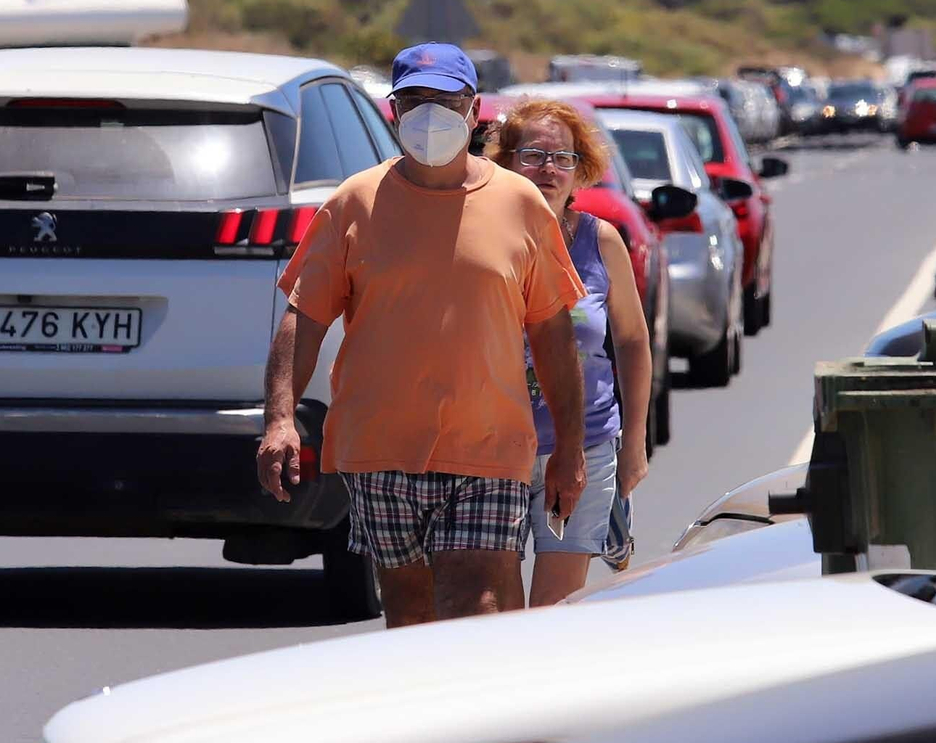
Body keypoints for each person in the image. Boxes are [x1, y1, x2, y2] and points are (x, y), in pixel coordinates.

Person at [257, 44, 589, 627]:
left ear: (474, 109)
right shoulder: (353, 201)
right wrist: (280, 419)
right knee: (410, 612)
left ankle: (481, 717)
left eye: (445, 100)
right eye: (415, 99)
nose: (429, 113)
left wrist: (568, 446)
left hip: (489, 444)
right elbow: (303, 316)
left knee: (476, 598)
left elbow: (553, 334)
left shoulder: (520, 204)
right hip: (380, 445)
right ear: (393, 108)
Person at [488, 99, 653, 606]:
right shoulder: (484, 239)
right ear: (506, 162)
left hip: (586, 447)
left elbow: (631, 341)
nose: (548, 170)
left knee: (554, 614)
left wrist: (634, 446)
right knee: (494, 612)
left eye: (563, 159)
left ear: (582, 171)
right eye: (533, 155)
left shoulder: (601, 242)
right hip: (492, 452)